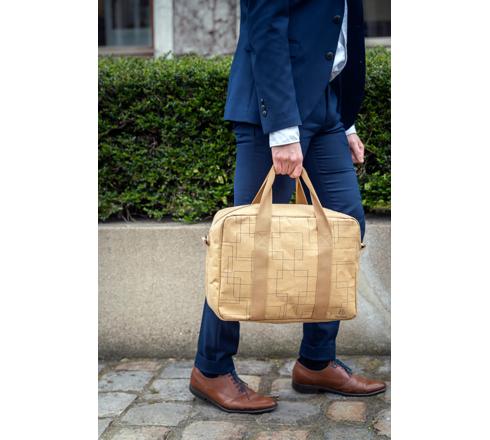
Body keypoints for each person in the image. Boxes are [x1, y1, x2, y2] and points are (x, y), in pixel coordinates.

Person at [189, 0, 386, 413]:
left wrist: (346, 120)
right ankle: (211, 368)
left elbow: (335, 26)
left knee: (345, 226)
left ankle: (316, 360)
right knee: (243, 240)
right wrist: (281, 130)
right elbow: (265, 26)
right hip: (276, 109)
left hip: (326, 106)